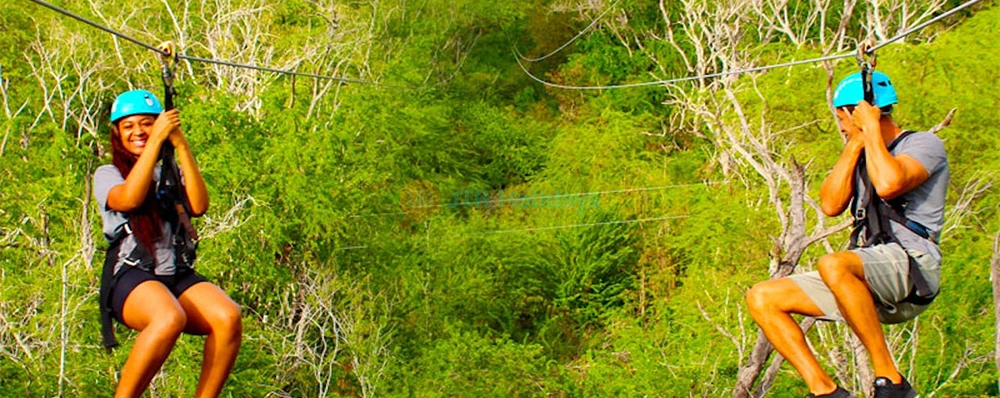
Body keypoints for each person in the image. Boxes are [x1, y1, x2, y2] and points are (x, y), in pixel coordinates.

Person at [745, 71, 949, 398]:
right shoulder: (862, 150)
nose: (840, 126)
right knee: (762, 297)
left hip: (913, 266)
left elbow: (889, 184)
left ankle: (891, 380)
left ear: (860, 112)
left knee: (834, 263)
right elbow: (830, 204)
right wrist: (857, 143)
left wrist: (869, 131)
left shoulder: (923, 144)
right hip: (866, 277)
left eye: (842, 118)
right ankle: (827, 392)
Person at [94, 89, 243, 398]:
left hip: (174, 271)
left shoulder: (168, 172)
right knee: (167, 317)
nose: (138, 132)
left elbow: (199, 206)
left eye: (147, 124)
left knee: (227, 317)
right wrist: (155, 142)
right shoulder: (107, 174)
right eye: (129, 126)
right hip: (133, 272)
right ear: (117, 134)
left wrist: (178, 143)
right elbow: (131, 198)